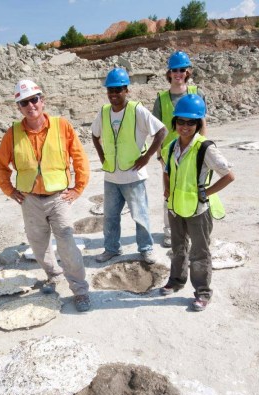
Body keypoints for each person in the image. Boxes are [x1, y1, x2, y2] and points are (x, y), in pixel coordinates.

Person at [0, 79, 91, 312]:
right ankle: (53, 274)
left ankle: (80, 290)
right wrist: (10, 190)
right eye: (24, 102)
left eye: (34, 99)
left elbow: (79, 158)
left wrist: (78, 188)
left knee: (67, 244)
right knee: (38, 245)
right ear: (19, 107)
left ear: (42, 100)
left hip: (59, 198)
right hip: (30, 200)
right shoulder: (13, 133)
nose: (30, 105)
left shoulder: (62, 126)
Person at [160, 94, 235, 312]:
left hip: (198, 211)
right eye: (181, 121)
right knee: (178, 247)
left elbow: (228, 175)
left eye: (191, 122)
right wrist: (167, 188)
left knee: (199, 252)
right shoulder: (172, 145)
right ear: (175, 123)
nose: (185, 126)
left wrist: (206, 193)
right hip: (175, 208)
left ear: (198, 123)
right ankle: (176, 281)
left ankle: (202, 291)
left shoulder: (205, 148)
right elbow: (167, 170)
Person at [91, 67, 167, 264]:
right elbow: (94, 134)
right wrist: (102, 158)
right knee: (110, 217)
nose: (114, 94)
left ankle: (146, 248)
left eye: (118, 90)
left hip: (134, 177)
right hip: (112, 177)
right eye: (110, 90)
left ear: (126, 90)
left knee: (140, 216)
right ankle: (111, 249)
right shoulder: (104, 112)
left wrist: (147, 156)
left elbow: (161, 131)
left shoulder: (136, 110)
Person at [153, 51, 207, 248]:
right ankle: (169, 230)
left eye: (181, 70)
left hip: (192, 151)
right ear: (169, 73)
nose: (178, 74)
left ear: (187, 72)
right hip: (170, 154)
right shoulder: (161, 99)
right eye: (174, 70)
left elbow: (203, 122)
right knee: (169, 191)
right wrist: (160, 155)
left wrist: (203, 148)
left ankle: (192, 228)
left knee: (192, 189)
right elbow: (157, 129)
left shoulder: (196, 93)